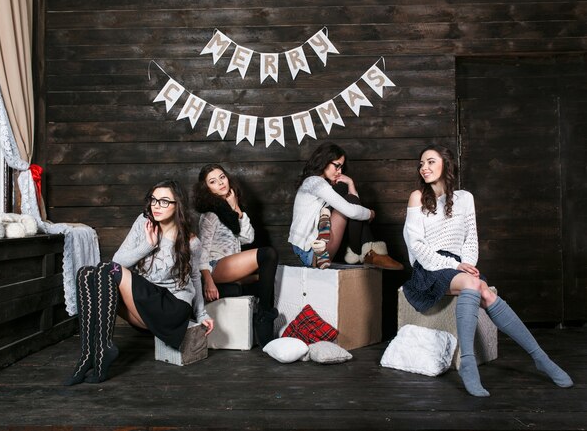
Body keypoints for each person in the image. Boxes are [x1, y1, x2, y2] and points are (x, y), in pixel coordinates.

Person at [403, 145, 573, 397]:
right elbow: (415, 244)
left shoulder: (465, 198)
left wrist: (467, 264)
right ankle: (469, 362)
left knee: (486, 293)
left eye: (430, 162)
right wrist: (453, 266)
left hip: (459, 265)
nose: (424, 168)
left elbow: (470, 240)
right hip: (429, 266)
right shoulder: (417, 197)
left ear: (446, 165)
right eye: (421, 164)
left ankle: (540, 358)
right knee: (475, 286)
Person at [65, 179, 214, 385]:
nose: (156, 206)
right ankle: (90, 355)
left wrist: (201, 314)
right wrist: (148, 244)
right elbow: (119, 260)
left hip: (171, 308)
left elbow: (195, 277)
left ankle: (100, 352)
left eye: (164, 201)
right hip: (143, 302)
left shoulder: (191, 242)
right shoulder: (143, 223)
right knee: (86, 274)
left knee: (106, 270)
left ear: (177, 204)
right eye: (153, 200)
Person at [193, 164, 279, 347]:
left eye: (222, 177)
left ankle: (262, 327)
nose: (221, 183)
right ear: (207, 189)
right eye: (213, 182)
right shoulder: (210, 214)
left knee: (266, 279)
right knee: (268, 254)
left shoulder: (230, 210)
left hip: (230, 267)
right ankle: (264, 319)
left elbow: (248, 237)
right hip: (214, 267)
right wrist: (208, 281)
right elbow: (202, 252)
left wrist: (236, 208)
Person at [289, 142, 403, 270]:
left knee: (351, 203)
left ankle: (369, 253)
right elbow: (352, 211)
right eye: (337, 166)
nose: (340, 171)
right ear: (324, 161)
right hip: (313, 253)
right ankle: (370, 253)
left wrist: (350, 183)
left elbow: (355, 207)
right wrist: (370, 213)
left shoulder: (314, 182)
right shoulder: (315, 182)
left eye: (341, 167)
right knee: (351, 205)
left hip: (309, 251)